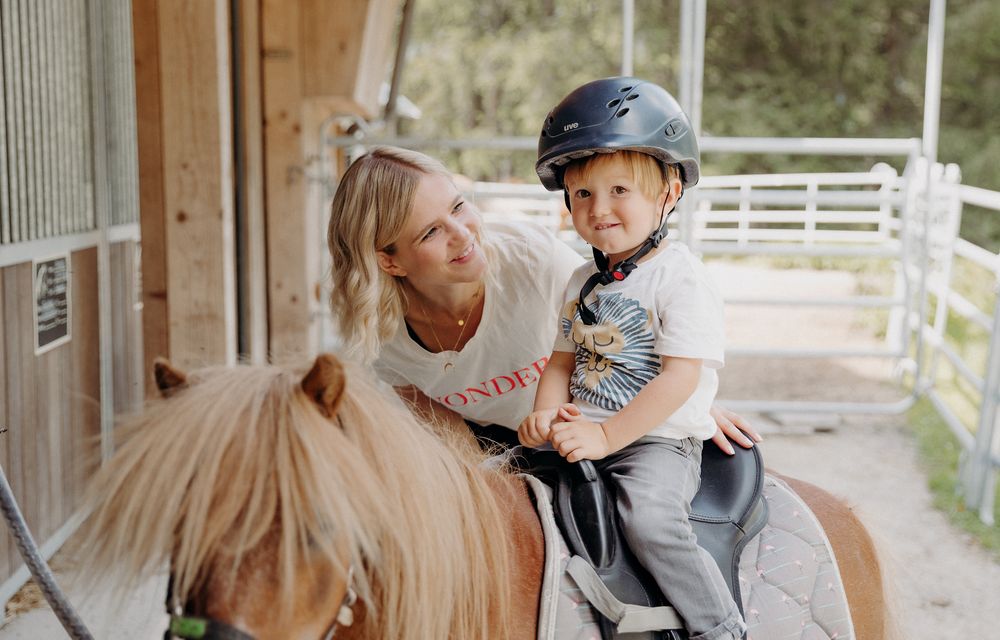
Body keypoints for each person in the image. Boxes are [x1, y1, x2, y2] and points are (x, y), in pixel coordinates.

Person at [325, 145, 760, 454]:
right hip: (497, 442)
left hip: (588, 427)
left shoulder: (533, 262)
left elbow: (628, 325)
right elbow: (441, 427)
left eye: (458, 207)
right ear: (389, 262)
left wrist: (690, 400)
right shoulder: (378, 337)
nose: (463, 234)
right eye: (430, 232)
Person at [519, 77, 745, 640]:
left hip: (657, 441)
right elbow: (562, 363)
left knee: (650, 520)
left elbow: (679, 380)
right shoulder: (581, 280)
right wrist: (546, 414)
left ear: (668, 192)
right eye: (582, 195)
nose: (599, 209)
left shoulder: (680, 279)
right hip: (583, 431)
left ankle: (719, 626)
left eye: (621, 190)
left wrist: (606, 437)